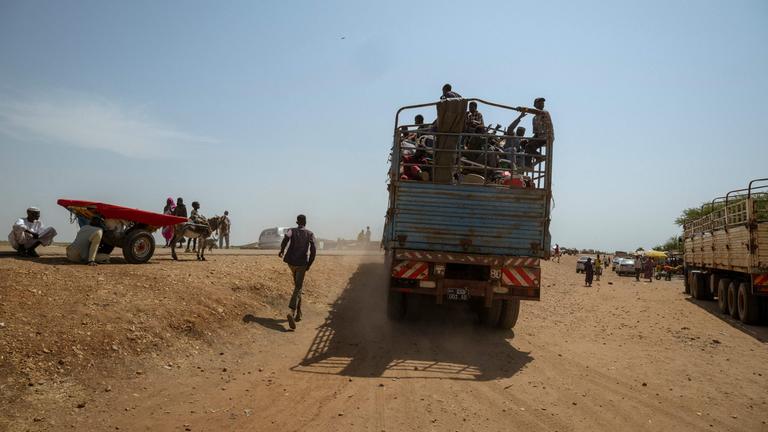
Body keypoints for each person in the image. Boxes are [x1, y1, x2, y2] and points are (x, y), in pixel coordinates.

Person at [279, 214, 316, 330]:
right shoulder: (310, 234)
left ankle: (298, 314)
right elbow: (313, 249)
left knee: (297, 286)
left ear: (297, 222)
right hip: (301, 264)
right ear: (305, 223)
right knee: (298, 287)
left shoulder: (291, 230)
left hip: (291, 263)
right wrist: (309, 264)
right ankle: (292, 311)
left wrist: (281, 251)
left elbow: (285, 239)